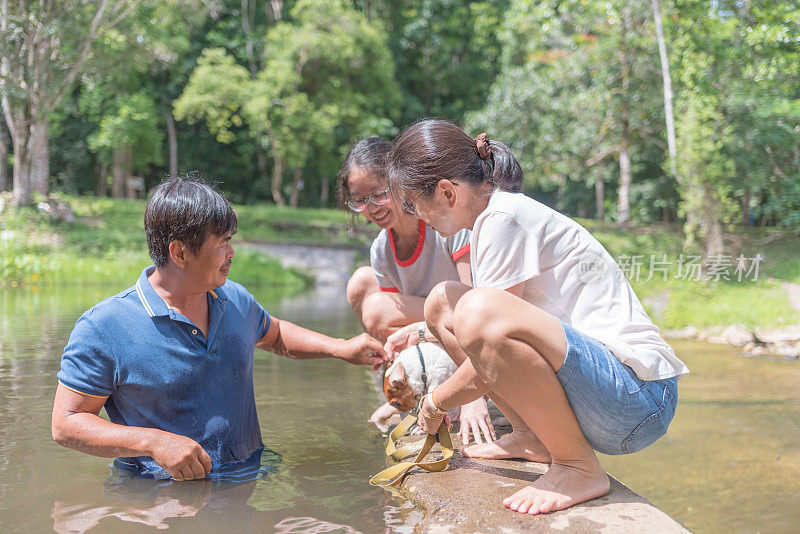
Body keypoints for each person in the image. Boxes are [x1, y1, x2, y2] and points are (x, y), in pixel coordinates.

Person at [386, 120, 689, 515]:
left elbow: (487, 348)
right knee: (442, 304)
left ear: (446, 191)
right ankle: (532, 437)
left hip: (639, 399)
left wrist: (433, 404)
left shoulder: (503, 218)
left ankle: (578, 467)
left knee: (476, 310)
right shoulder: (491, 220)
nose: (416, 215)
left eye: (413, 203)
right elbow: (492, 349)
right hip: (610, 392)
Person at [51, 176, 387, 482]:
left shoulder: (234, 299)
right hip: (160, 501)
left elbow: (276, 335)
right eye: (222, 243)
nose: (232, 253)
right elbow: (66, 424)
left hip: (248, 478)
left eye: (231, 240)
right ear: (179, 252)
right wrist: (153, 442)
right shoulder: (105, 326)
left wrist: (340, 348)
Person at [338, 137, 494, 445]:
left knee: (379, 309)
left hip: (467, 325)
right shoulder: (382, 250)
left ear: (400, 182)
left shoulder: (445, 223)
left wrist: (474, 394)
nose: (371, 208)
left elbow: (477, 304)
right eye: (359, 200)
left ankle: (473, 385)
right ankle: (407, 392)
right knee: (362, 285)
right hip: (433, 333)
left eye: (379, 194)